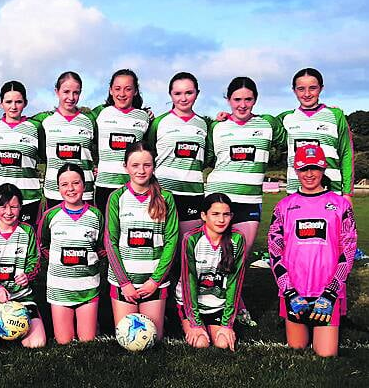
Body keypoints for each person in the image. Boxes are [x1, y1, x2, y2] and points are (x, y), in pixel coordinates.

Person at [206, 77, 285, 324]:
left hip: (249, 202)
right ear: (228, 100)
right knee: (214, 258)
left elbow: (292, 139)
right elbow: (206, 156)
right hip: (219, 200)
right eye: (237, 99)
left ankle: (234, 305)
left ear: (255, 100)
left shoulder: (268, 125)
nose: (242, 105)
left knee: (239, 259)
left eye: (248, 99)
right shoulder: (216, 127)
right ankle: (217, 305)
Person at [268, 145, 356, 357]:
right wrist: (288, 291)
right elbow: (274, 251)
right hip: (294, 292)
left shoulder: (341, 205)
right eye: (304, 168)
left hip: (326, 292)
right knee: (297, 348)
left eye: (315, 168)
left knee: (326, 354)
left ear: (323, 169)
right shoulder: (283, 206)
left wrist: (331, 291)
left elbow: (349, 250)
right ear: (296, 171)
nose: (309, 174)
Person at [104, 141, 178, 340]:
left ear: (154, 166)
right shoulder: (116, 197)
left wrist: (155, 281)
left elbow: (171, 241)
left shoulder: (166, 198)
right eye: (135, 165)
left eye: (147, 165)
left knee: (152, 339)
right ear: (125, 166)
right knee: (127, 339)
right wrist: (124, 283)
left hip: (153, 281)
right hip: (124, 281)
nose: (141, 170)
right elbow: (110, 242)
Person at [38, 163, 105, 344]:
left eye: (75, 183)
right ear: (58, 188)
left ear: (84, 185)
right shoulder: (50, 216)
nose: (70, 189)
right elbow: (43, 245)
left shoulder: (96, 215)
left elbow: (101, 248)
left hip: (87, 287)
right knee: (63, 342)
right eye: (64, 184)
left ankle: (93, 322)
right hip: (59, 288)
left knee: (87, 341)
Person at [0, 183, 46, 348]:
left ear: (21, 207)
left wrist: (27, 276)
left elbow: (35, 262)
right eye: (3, 206)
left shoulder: (28, 231)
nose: (8, 212)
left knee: (37, 343)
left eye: (14, 207)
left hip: (22, 298)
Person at [175, 193, 246, 351]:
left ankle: (219, 323)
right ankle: (181, 319)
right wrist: (195, 323)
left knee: (223, 344)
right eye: (215, 214)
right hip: (191, 304)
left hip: (218, 305)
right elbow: (189, 281)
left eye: (226, 214)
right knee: (201, 343)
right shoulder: (191, 239)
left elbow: (235, 283)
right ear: (203, 215)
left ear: (231, 216)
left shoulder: (237, 239)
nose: (221, 220)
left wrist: (227, 324)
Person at [278, 68, 354, 202]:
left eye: (312, 88)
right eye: (301, 89)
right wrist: (228, 117)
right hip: (295, 192)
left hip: (332, 191)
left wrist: (347, 193)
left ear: (321, 88)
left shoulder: (336, 115)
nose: (307, 94)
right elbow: (257, 122)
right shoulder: (286, 118)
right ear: (294, 90)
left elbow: (347, 154)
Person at [147, 72, 208, 236]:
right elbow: (149, 155)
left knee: (187, 249)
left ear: (197, 93)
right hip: (163, 193)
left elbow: (207, 157)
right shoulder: (159, 123)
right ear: (170, 95)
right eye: (178, 93)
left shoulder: (203, 124)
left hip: (192, 194)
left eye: (189, 92)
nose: (183, 98)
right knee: (163, 247)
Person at [33, 71, 97, 208]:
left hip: (84, 193)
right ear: (57, 91)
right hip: (55, 192)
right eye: (66, 92)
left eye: (76, 93)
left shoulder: (90, 120)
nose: (71, 97)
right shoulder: (44, 121)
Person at [0, 81, 44, 225]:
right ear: (1, 103)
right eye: (8, 102)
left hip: (28, 197)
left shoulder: (35, 127)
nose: (13, 106)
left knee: (27, 241)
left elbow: (45, 155)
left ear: (25, 103)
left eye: (18, 102)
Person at [93, 69, 150, 213]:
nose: (122, 94)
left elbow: (150, 150)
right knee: (107, 233)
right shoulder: (100, 112)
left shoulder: (143, 117)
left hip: (135, 185)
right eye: (117, 89)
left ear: (135, 91)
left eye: (128, 89)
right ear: (110, 90)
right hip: (105, 185)